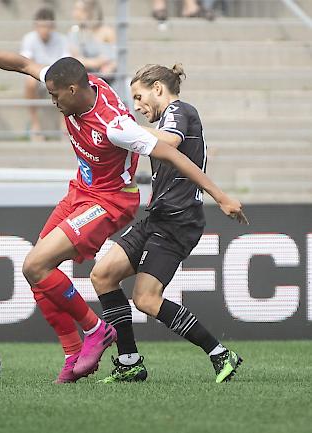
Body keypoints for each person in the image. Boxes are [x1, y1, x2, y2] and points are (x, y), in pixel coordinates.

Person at [0, 38, 246, 383]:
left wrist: (221, 196)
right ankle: (119, 360)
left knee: (129, 293)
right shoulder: (81, 86)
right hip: (97, 196)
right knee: (90, 275)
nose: (52, 102)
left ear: (72, 90)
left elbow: (172, 151)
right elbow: (23, 64)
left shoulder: (118, 127)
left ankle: (108, 333)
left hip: (116, 202)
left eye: (55, 96)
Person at [92, 64, 247, 384]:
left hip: (179, 220)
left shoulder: (180, 110)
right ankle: (129, 361)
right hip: (159, 216)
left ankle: (220, 353)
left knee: (146, 299)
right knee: (103, 274)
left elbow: (170, 141)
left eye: (139, 96)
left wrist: (122, 126)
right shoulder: (169, 117)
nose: (136, 106)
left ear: (159, 89)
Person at [20, 7, 70, 140]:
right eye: (41, 26)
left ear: (53, 27)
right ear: (35, 26)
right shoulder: (29, 39)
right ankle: (35, 124)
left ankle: (64, 124)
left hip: (56, 77)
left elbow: (67, 62)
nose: (44, 30)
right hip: (38, 76)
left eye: (47, 26)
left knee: (67, 80)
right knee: (29, 82)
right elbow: (26, 62)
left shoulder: (62, 40)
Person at [68, 0, 117, 84]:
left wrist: (110, 65)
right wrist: (98, 62)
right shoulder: (74, 32)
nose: (75, 13)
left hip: (109, 77)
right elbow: (77, 59)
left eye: (80, 10)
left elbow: (116, 58)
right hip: (86, 77)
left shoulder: (107, 31)